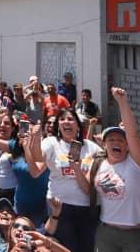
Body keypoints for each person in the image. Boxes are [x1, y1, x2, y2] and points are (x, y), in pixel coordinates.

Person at [87, 88, 140, 251]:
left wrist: (122, 102)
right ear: (104, 144)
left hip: (136, 235)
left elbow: (132, 134)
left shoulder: (137, 164)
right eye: (111, 140)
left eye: (121, 140)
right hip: (106, 233)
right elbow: (86, 188)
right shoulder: (99, 164)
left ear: (128, 146)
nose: (116, 142)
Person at [30, 107, 101, 252]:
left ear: (78, 125)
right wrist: (36, 139)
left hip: (86, 209)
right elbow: (38, 157)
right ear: (58, 126)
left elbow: (94, 180)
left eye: (70, 119)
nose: (66, 122)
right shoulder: (52, 143)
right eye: (62, 119)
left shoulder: (91, 147)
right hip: (60, 208)